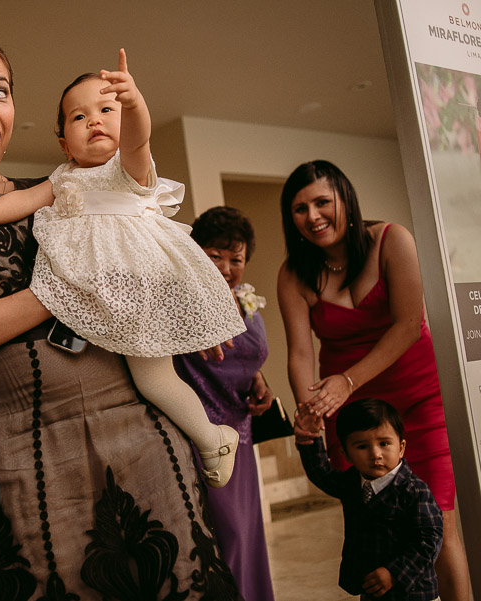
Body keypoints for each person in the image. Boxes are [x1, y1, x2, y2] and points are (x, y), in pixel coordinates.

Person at [0, 30, 241, 600]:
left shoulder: (66, 187)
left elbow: (142, 247)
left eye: (0, 91)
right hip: (22, 445)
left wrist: (186, 314)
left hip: (138, 431)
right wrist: (60, 293)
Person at [0, 50, 245, 488]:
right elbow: (23, 201)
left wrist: (135, 104)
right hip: (95, 296)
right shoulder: (63, 177)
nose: (94, 121)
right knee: (93, 357)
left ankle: (213, 438)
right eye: (78, 117)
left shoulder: (128, 170)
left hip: (140, 288)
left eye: (107, 110)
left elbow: (138, 139)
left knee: (153, 380)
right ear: (63, 143)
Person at [277, 160, 470, 600]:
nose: (313, 216)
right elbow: (302, 352)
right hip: (355, 416)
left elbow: (407, 324)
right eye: (300, 209)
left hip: (420, 398)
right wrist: (308, 410)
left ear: (345, 200)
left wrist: (347, 379)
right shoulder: (293, 275)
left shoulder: (392, 240)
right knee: (373, 531)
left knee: (438, 525)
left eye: (322, 202)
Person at [172, 206, 276, 601]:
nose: (227, 268)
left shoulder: (245, 302)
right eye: (216, 255)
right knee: (224, 538)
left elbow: (247, 356)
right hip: (202, 439)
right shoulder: (181, 303)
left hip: (242, 436)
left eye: (237, 259)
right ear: (196, 251)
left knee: (248, 537)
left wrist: (259, 381)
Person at [297, 399, 443, 601]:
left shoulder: (413, 490)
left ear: (401, 447)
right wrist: (310, 439)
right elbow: (322, 474)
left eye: (384, 443)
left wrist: (394, 573)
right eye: (362, 446)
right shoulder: (352, 483)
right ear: (346, 454)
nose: (375, 454)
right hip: (371, 590)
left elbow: (428, 541)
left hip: (413, 593)